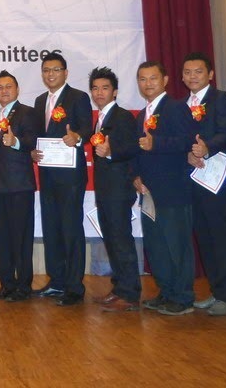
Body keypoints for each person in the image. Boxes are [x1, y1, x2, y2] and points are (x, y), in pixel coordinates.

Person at [132, 61, 197, 315]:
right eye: (142, 79)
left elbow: (187, 141)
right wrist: (135, 176)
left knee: (176, 244)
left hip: (173, 190)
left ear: (165, 80)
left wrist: (156, 143)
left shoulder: (176, 107)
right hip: (148, 191)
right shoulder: (142, 115)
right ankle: (166, 291)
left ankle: (183, 297)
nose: (147, 84)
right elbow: (138, 149)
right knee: (157, 244)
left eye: (153, 78)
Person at [31, 52, 92, 306]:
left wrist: (76, 136)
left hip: (70, 177)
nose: (50, 74)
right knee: (51, 228)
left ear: (65, 72)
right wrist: (32, 151)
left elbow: (88, 127)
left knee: (71, 229)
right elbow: (37, 135)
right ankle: (56, 281)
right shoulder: (40, 101)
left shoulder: (78, 97)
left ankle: (74, 287)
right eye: (46, 70)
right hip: (47, 174)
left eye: (55, 70)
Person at [181, 52, 226, 316]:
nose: (192, 76)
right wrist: (188, 154)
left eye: (198, 71)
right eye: (188, 72)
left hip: (216, 178)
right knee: (203, 236)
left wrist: (206, 148)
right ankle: (215, 291)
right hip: (193, 178)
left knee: (220, 235)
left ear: (210, 74)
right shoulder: (181, 104)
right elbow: (180, 138)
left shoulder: (220, 98)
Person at [88, 67, 141, 312]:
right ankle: (119, 288)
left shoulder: (122, 117)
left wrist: (111, 152)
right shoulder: (100, 118)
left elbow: (132, 147)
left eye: (105, 88)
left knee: (121, 240)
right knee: (111, 239)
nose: (99, 92)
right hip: (105, 190)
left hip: (119, 190)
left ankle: (130, 294)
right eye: (95, 88)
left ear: (115, 91)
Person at [0, 70, 38, 302]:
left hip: (20, 186)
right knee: (2, 238)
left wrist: (15, 141)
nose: (4, 91)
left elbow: (33, 140)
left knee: (21, 238)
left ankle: (23, 286)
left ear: (17, 89)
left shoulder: (27, 112)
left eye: (8, 87)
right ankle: (6, 283)